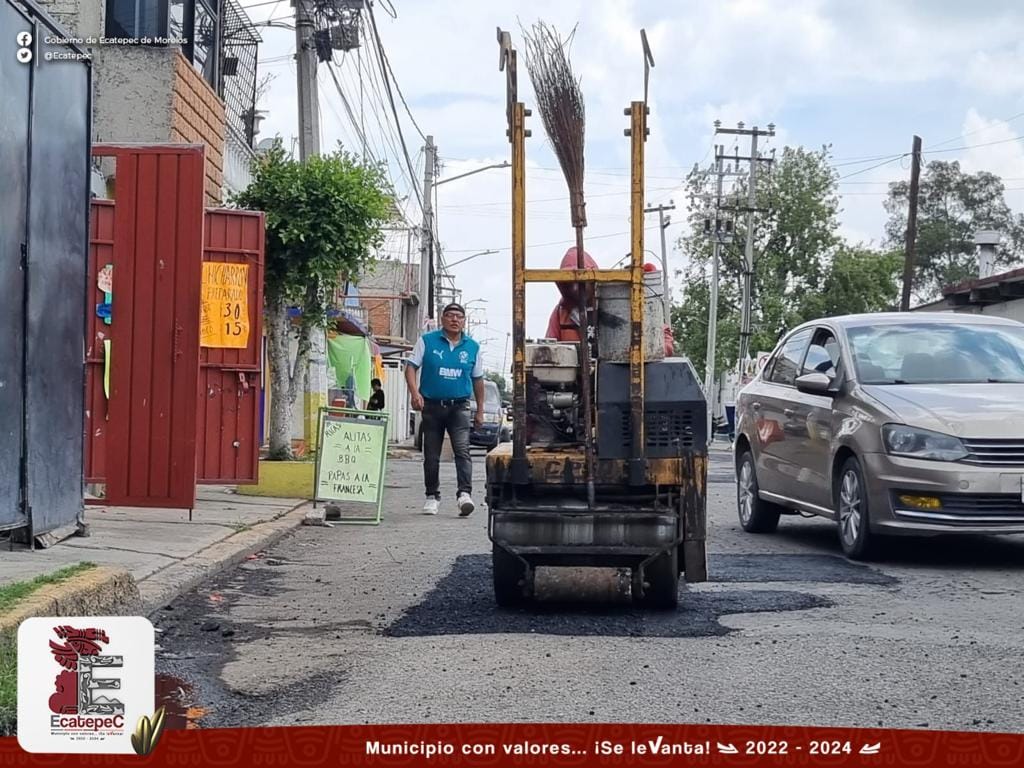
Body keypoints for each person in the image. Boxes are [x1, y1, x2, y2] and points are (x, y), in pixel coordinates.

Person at [404, 302, 485, 516]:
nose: (454, 320)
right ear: (443, 319)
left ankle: (464, 495)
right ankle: (432, 496)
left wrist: (480, 410)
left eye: (459, 316)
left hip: (459, 407)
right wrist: (415, 393)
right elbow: (410, 367)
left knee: (462, 451)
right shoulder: (427, 341)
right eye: (450, 315)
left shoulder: (472, 347)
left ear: (464, 321)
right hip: (431, 407)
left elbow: (478, 380)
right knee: (431, 455)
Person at [546, 247, 598, 342]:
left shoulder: (611, 306)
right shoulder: (560, 313)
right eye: (569, 283)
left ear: (592, 280)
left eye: (580, 282)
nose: (574, 288)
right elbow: (549, 351)